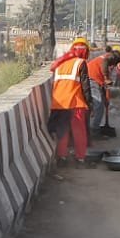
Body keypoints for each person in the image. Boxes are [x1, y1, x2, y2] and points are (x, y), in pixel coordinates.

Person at [49, 36, 93, 164]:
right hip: (75, 102)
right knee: (79, 132)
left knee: (63, 131)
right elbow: (85, 86)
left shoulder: (60, 63)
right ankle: (80, 158)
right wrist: (90, 103)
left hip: (59, 104)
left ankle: (62, 157)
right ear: (85, 51)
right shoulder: (80, 63)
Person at [85, 46, 120, 137]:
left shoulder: (106, 60)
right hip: (92, 80)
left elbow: (105, 84)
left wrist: (106, 97)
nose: (115, 65)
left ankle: (91, 128)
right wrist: (106, 78)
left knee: (100, 104)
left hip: (96, 81)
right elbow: (105, 64)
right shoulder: (107, 59)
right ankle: (94, 130)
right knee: (99, 106)